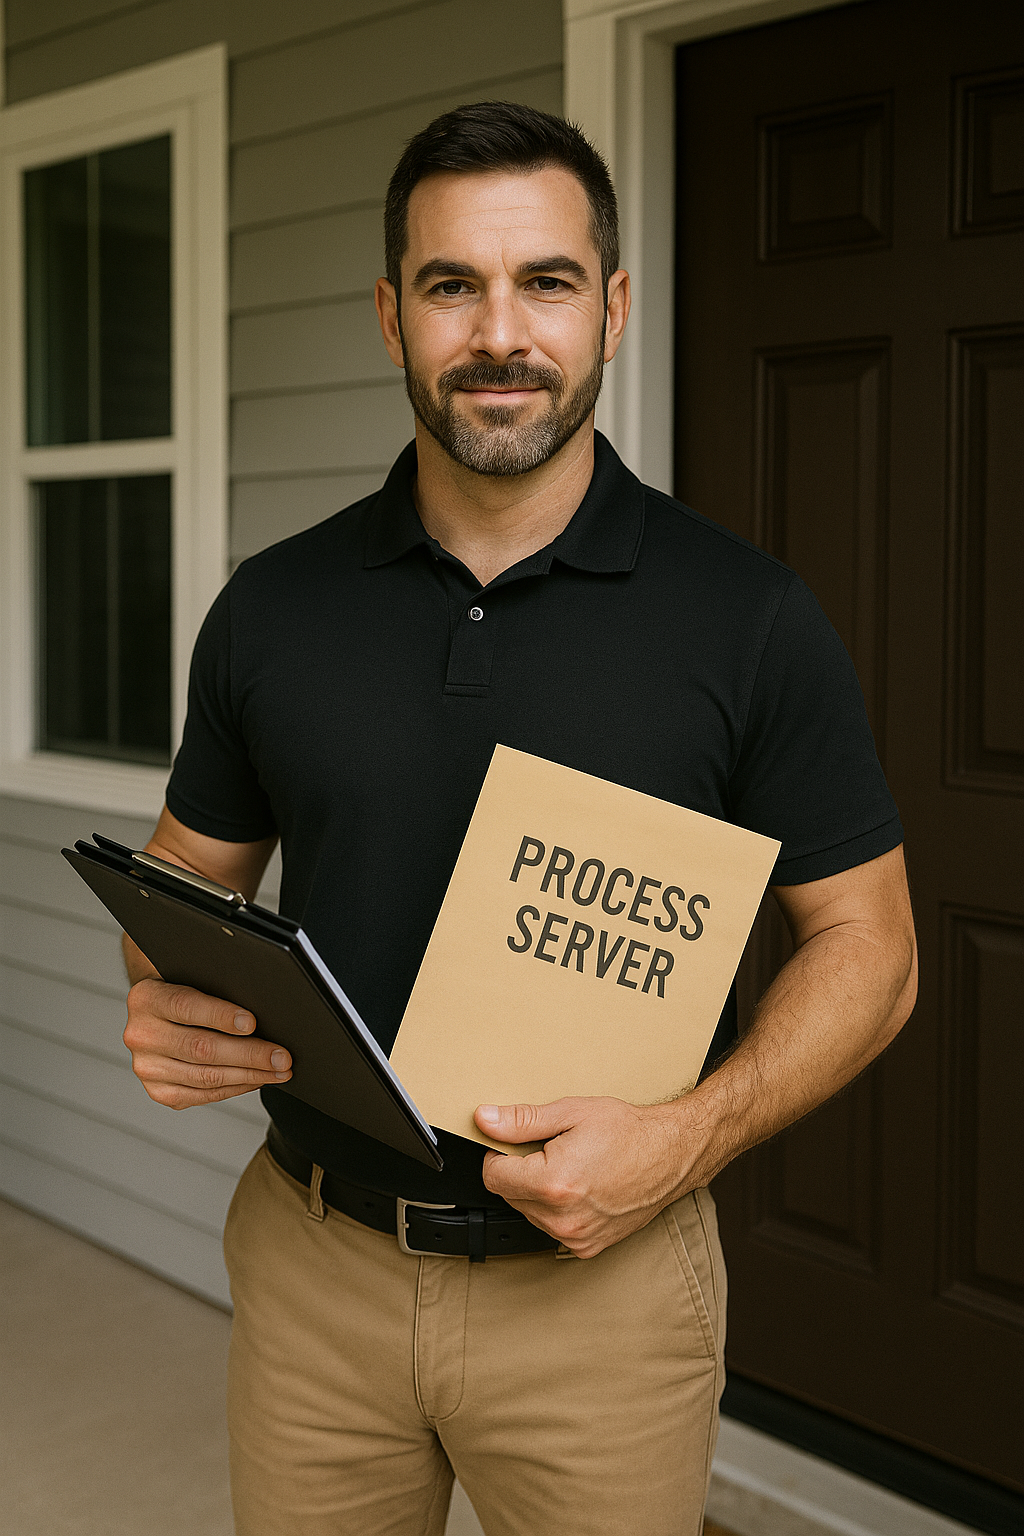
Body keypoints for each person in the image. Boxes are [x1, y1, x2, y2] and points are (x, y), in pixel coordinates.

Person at [122, 102, 917, 1536]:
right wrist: (160, 995)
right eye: (451, 286)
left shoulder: (748, 620)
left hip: (601, 1301)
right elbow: (188, 872)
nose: (500, 333)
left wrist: (692, 1136)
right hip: (314, 1267)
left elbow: (874, 947)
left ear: (610, 306)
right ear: (390, 315)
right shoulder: (271, 609)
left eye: (545, 281)